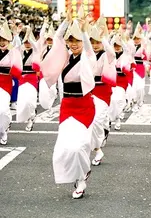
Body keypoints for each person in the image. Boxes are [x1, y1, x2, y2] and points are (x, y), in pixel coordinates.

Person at [40, 10, 96, 199]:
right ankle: (79, 178)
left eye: (77, 40)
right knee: (64, 148)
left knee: (80, 146)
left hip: (85, 106)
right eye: (71, 41)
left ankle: (83, 175)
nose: (74, 44)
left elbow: (88, 48)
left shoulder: (88, 58)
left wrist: (83, 30)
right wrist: (66, 21)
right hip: (67, 107)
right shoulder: (64, 59)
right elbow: (56, 38)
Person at [89, 21, 116, 165]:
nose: (95, 45)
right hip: (89, 91)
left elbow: (111, 51)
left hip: (103, 91)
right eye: (92, 42)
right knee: (92, 122)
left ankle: (101, 136)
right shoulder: (87, 54)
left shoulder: (107, 55)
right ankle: (98, 149)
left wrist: (103, 37)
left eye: (97, 42)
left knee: (97, 119)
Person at [0, 22, 22, 145]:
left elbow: (18, 48)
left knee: (3, 110)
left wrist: (15, 34)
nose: (2, 42)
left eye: (5, 40)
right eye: (0, 39)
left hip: (5, 83)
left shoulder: (12, 51)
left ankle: (3, 130)